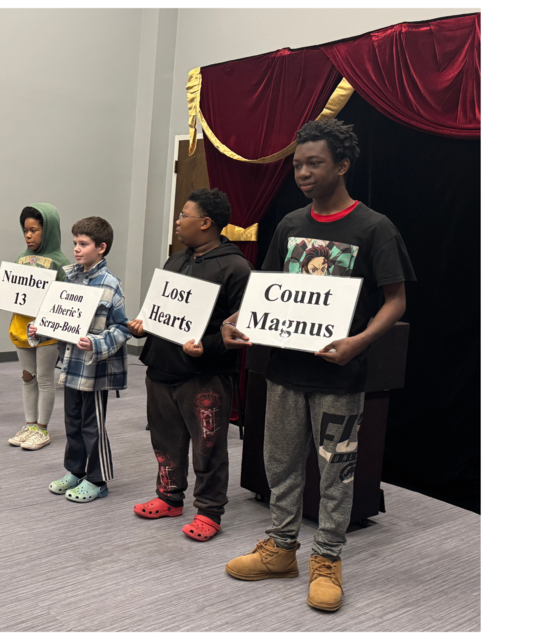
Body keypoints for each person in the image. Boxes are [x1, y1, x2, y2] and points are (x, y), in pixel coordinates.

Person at [221, 119, 416, 612]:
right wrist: (236, 319)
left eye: (315, 163)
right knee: (280, 466)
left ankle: (327, 559)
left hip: (339, 375)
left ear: (343, 166)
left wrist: (361, 341)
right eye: (298, 165)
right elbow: (267, 290)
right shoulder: (289, 225)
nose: (303, 173)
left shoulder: (374, 227)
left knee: (336, 472)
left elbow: (395, 300)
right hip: (285, 370)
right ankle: (282, 549)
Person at [127, 188, 252, 541]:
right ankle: (169, 496)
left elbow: (244, 326)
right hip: (161, 367)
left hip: (204, 375)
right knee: (164, 440)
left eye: (184, 215)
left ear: (206, 223)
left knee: (208, 446)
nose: (178, 221)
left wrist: (209, 346)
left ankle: (210, 511)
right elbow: (162, 311)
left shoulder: (236, 267)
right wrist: (144, 324)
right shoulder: (175, 261)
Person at [27, 217, 131, 503]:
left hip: (94, 369)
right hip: (70, 365)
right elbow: (59, 317)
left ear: (102, 248)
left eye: (83, 244)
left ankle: (97, 479)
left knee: (91, 425)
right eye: (75, 243)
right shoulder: (69, 278)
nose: (76, 249)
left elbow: (122, 328)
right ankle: (75, 471)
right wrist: (40, 327)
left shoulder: (110, 285)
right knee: (72, 422)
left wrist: (96, 343)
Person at [0, 204, 69, 451]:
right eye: (25, 230)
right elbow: (11, 291)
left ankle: (42, 429)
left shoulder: (60, 263)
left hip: (45, 332)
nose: (29, 235)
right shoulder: (20, 259)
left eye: (34, 230)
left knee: (45, 379)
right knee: (27, 378)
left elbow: (64, 300)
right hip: (20, 328)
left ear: (49, 230)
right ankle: (30, 424)